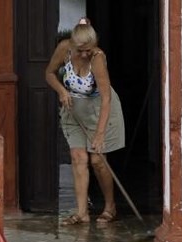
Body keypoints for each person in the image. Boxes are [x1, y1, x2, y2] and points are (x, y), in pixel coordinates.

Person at [45, 17, 125, 226]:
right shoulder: (65, 49)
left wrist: (99, 135)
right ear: (72, 44)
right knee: (78, 157)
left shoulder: (98, 58)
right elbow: (49, 74)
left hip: (100, 110)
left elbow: (106, 97)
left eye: (88, 49)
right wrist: (62, 90)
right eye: (80, 50)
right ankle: (82, 213)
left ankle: (110, 207)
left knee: (97, 160)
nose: (84, 54)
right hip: (73, 110)